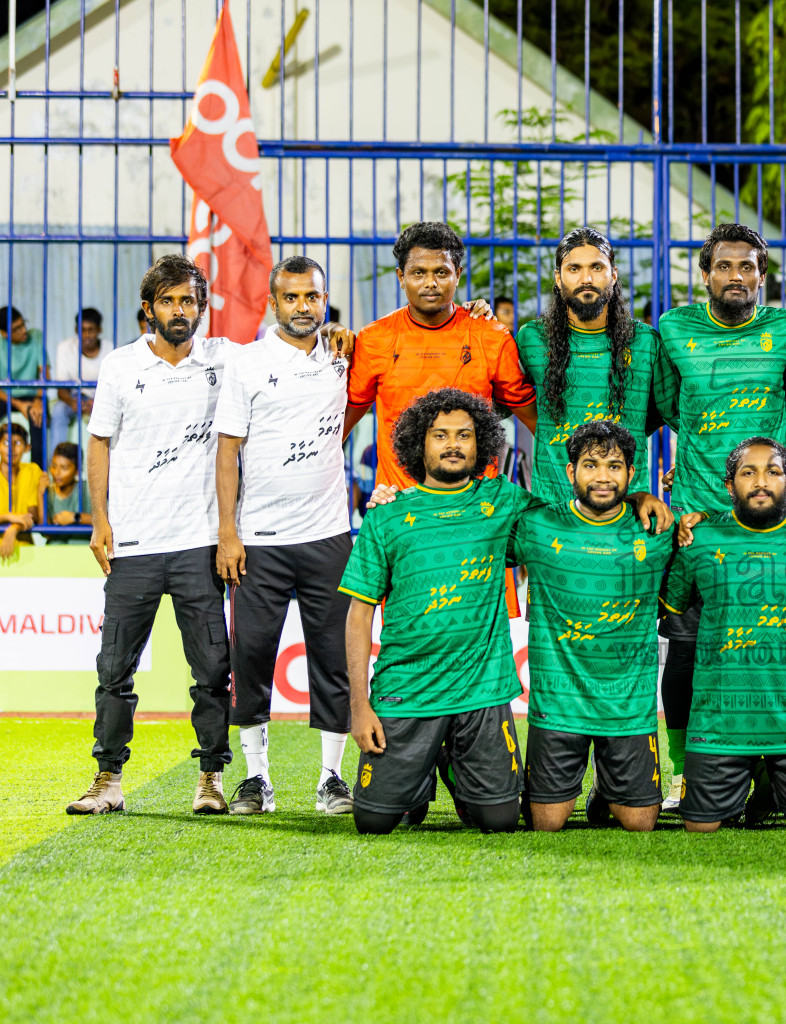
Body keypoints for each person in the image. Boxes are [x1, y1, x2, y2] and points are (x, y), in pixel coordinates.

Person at [65, 255, 236, 815]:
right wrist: (100, 520)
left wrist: (337, 336)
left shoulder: (224, 361)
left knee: (212, 670)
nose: (179, 310)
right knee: (114, 670)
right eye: (168, 300)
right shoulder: (119, 366)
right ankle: (108, 779)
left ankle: (210, 779)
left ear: (201, 308)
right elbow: (99, 442)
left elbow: (289, 343)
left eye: (189, 301)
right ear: (149, 309)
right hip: (134, 544)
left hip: (199, 544)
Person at [651, 222, 786, 810]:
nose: (736, 276)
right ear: (705, 273)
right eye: (724, 265)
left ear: (762, 277)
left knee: (774, 651)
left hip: (770, 523)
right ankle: (683, 771)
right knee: (688, 654)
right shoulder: (674, 330)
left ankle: (776, 772)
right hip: (699, 522)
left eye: (748, 267)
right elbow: (673, 409)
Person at [341, 388, 534, 835]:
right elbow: (357, 615)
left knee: (500, 821)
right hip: (407, 691)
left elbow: (571, 520)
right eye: (440, 435)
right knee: (374, 822)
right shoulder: (387, 516)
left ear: (481, 443)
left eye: (464, 435)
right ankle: (419, 775)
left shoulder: (502, 502)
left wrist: (638, 498)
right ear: (417, 444)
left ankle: (454, 767)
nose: (453, 444)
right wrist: (359, 705)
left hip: (480, 692)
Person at [214, 256, 358, 817]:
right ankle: (255, 779)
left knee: (334, 659)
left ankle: (331, 778)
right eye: (292, 297)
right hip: (260, 539)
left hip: (328, 536)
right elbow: (227, 452)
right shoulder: (248, 363)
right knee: (250, 656)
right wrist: (228, 531)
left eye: (312, 297)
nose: (303, 307)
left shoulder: (346, 355)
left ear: (325, 300)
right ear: (274, 303)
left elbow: (411, 333)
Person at [664, 436, 786, 832]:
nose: (761, 481)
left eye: (774, 471)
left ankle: (771, 786)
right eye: (749, 472)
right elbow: (672, 606)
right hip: (718, 728)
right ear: (730, 485)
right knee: (701, 832)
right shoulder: (697, 541)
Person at [513, 420, 670, 833]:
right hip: (559, 705)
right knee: (546, 824)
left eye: (615, 466)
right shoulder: (536, 525)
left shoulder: (657, 529)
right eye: (591, 465)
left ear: (631, 474)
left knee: (640, 825)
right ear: (570, 472)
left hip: (628, 707)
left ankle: (606, 783)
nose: (603, 476)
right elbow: (472, 522)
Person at [345, 221, 537, 491]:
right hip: (401, 508)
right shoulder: (374, 339)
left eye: (442, 272)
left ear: (457, 274)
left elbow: (538, 423)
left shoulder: (491, 336)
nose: (431, 283)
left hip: (476, 509)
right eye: (418, 273)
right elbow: (338, 428)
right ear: (401, 277)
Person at [516, 228, 663, 504]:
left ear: (614, 274)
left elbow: (662, 412)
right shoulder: (532, 339)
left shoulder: (645, 341)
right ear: (558, 278)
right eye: (574, 268)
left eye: (597, 267)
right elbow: (508, 396)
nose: (586, 279)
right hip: (553, 507)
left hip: (628, 506)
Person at [49, 308, 107, 457]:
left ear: (99, 330)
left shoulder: (110, 349)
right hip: (73, 397)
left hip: (101, 399)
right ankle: (58, 462)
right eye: (82, 330)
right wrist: (73, 402)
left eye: (91, 330)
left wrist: (97, 402)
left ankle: (108, 466)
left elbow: (113, 388)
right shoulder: (65, 348)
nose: (87, 335)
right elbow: (61, 389)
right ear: (76, 330)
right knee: (59, 410)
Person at [3, 306, 45, 463]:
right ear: (4, 333)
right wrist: (19, 404)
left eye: (23, 324)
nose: (23, 330)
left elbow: (44, 373)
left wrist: (39, 400)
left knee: (38, 418)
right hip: (6, 396)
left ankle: (37, 472)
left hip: (32, 395)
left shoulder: (36, 337)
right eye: (16, 329)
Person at [1, 421, 41, 561]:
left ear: (27, 447)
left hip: (26, 550)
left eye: (17, 443)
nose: (11, 449)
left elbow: (33, 515)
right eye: (6, 443)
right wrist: (10, 517)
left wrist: (14, 528)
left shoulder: (32, 470)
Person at [40, 440, 90, 533]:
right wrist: (40, 495)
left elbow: (107, 521)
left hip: (82, 547)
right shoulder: (48, 491)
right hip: (54, 547)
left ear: (77, 470)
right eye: (54, 466)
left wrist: (75, 517)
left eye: (64, 468)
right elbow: (46, 533)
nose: (56, 473)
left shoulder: (87, 490)